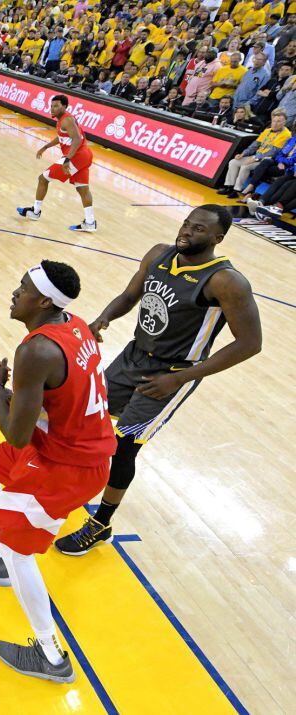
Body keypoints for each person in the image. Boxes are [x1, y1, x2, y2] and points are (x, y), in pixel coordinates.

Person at [55, 206, 262, 555]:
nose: (187, 232)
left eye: (198, 229)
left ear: (217, 238)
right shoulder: (158, 254)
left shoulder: (226, 281)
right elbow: (129, 296)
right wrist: (102, 319)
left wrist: (179, 380)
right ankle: (67, 483)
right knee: (87, 416)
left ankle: (100, 523)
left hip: (172, 372)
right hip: (133, 355)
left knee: (124, 447)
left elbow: (250, 344)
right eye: (185, 224)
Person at [0, 260, 114, 683]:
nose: (14, 293)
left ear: (43, 301)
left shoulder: (36, 350)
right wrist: (19, 395)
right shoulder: (74, 324)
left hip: (66, 465)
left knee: (18, 548)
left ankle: (51, 656)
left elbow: (16, 435)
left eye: (21, 287)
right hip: (70, 447)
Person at [16, 94, 97, 232]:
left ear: (65, 107)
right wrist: (46, 146)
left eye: (56, 106)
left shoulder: (67, 120)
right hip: (85, 156)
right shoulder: (62, 120)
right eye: (51, 106)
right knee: (82, 188)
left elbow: (77, 139)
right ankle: (90, 222)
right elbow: (62, 137)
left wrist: (67, 159)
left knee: (43, 178)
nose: (52, 109)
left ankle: (35, 212)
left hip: (77, 156)